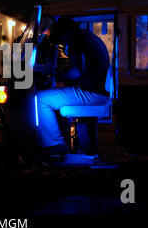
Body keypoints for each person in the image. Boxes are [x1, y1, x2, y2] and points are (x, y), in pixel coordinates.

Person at [37, 17, 110, 163]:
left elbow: (77, 72)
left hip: (93, 92)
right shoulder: (88, 36)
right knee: (54, 95)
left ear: (65, 31)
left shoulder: (77, 39)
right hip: (98, 89)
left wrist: (61, 73)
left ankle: (55, 145)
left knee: (41, 99)